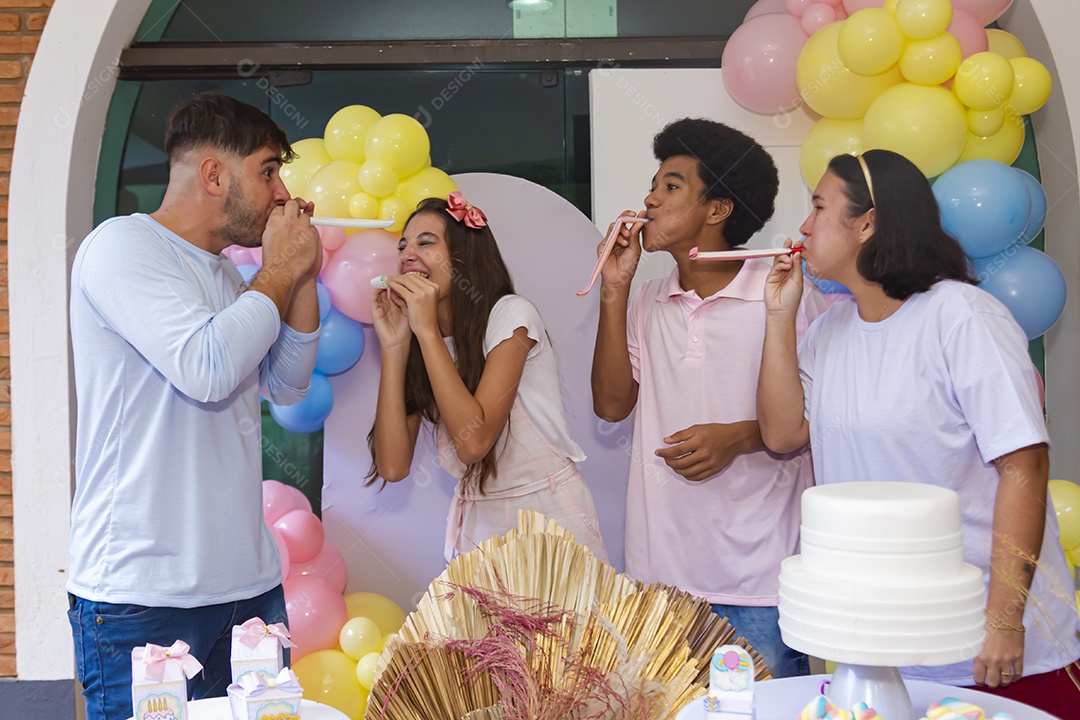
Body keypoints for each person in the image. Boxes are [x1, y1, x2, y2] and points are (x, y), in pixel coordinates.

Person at [758, 149, 1080, 715]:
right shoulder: (830, 329)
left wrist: (1004, 619)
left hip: (989, 643)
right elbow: (782, 435)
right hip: (886, 644)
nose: (803, 226)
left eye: (817, 207)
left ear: (869, 222)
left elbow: (1023, 466)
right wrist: (780, 317)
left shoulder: (962, 317)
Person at [67, 92, 322, 720]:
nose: (282, 193)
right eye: (267, 171)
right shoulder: (121, 248)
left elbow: (287, 384)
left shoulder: (228, 278)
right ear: (214, 174)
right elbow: (207, 368)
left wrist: (302, 274)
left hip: (249, 590)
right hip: (142, 596)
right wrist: (277, 274)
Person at [590, 118, 826, 678]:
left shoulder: (784, 290)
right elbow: (610, 404)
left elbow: (823, 415)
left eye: (670, 186)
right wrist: (614, 291)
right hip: (659, 578)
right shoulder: (647, 298)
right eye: (654, 184)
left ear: (717, 210)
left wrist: (740, 437)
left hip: (760, 579)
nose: (649, 198)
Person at [367, 193, 608, 563]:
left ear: (462, 260)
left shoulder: (512, 316)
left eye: (425, 242)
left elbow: (474, 441)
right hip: (477, 526)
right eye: (403, 246)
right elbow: (393, 466)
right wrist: (395, 346)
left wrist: (427, 332)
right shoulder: (419, 337)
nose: (407, 255)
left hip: (548, 519)